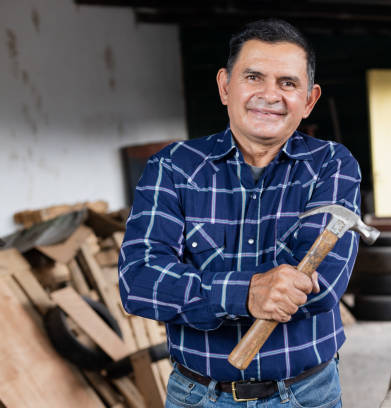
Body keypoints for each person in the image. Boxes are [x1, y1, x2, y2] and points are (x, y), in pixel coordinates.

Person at [119, 18, 361, 407]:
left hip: (305, 394)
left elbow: (321, 287)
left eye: (287, 83)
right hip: (197, 395)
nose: (270, 95)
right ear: (224, 87)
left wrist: (200, 292)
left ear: (309, 100)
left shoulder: (331, 164)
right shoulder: (173, 167)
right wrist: (246, 293)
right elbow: (139, 282)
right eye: (253, 77)